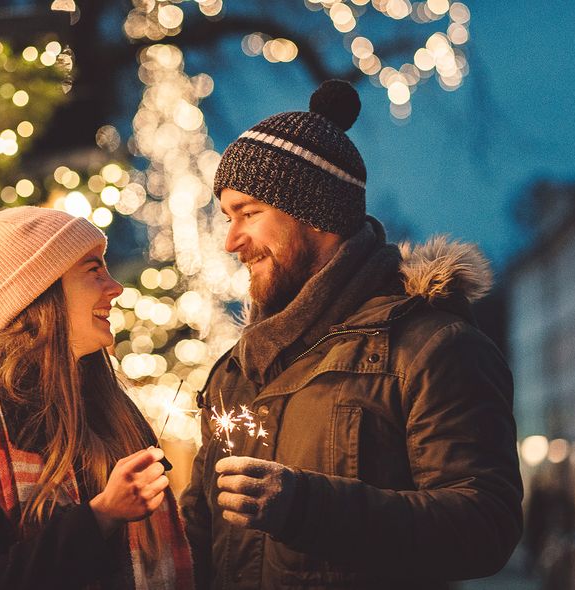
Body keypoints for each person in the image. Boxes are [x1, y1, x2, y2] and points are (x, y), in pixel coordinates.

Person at [179, 80, 523, 589]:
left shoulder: (430, 348)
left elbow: (484, 525)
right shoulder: (236, 371)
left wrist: (309, 508)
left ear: (315, 214)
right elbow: (199, 536)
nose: (231, 241)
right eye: (228, 217)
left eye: (249, 213)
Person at [0, 207, 194, 590]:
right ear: (41, 291)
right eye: (93, 270)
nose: (115, 287)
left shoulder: (113, 410)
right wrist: (102, 516)